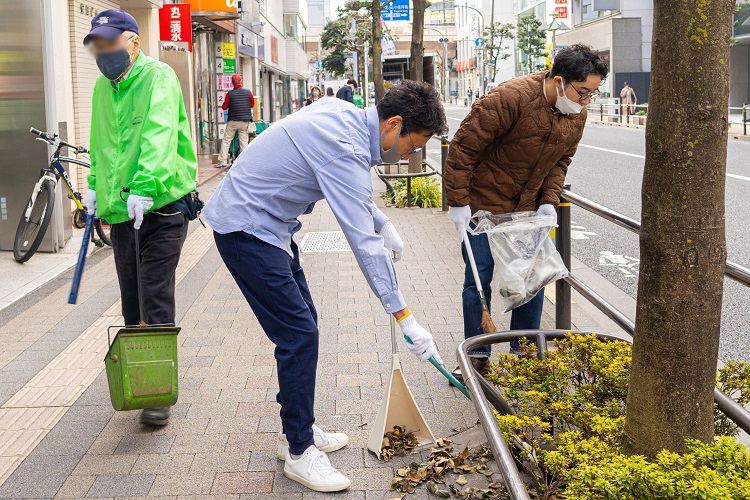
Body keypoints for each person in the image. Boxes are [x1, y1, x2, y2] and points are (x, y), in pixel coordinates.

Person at [203, 80, 448, 492]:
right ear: (393, 125)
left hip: (270, 228)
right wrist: (405, 317)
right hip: (246, 228)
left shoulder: (343, 115)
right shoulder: (345, 144)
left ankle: (299, 429)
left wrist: (384, 222)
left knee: (305, 327)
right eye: (412, 144)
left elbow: (350, 190)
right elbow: (362, 243)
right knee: (299, 335)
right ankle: (300, 452)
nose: (410, 154)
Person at [444, 44, 608, 381]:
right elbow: (463, 148)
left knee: (531, 281)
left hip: (528, 209)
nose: (587, 101)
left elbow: (562, 160)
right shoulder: (509, 98)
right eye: (583, 92)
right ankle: (475, 356)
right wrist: (459, 203)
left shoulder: (577, 111)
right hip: (482, 205)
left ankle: (525, 355)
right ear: (559, 80)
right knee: (479, 278)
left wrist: (548, 200)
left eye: (594, 93)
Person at [82, 10, 198, 426]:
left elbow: (159, 134)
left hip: (162, 204)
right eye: (97, 44)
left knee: (154, 292)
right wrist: (94, 185)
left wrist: (146, 186)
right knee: (131, 298)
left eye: (110, 42)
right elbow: (100, 143)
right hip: (121, 211)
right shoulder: (100, 87)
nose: (103, 51)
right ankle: (143, 372)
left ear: (133, 42)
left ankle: (157, 393)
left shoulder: (159, 77)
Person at [215, 74, 255, 168]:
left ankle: (223, 161)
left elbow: (224, 107)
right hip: (245, 121)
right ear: (241, 81)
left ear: (232, 83)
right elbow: (252, 104)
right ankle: (244, 162)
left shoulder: (230, 94)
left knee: (226, 141)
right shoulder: (248, 92)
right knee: (243, 142)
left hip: (233, 122)